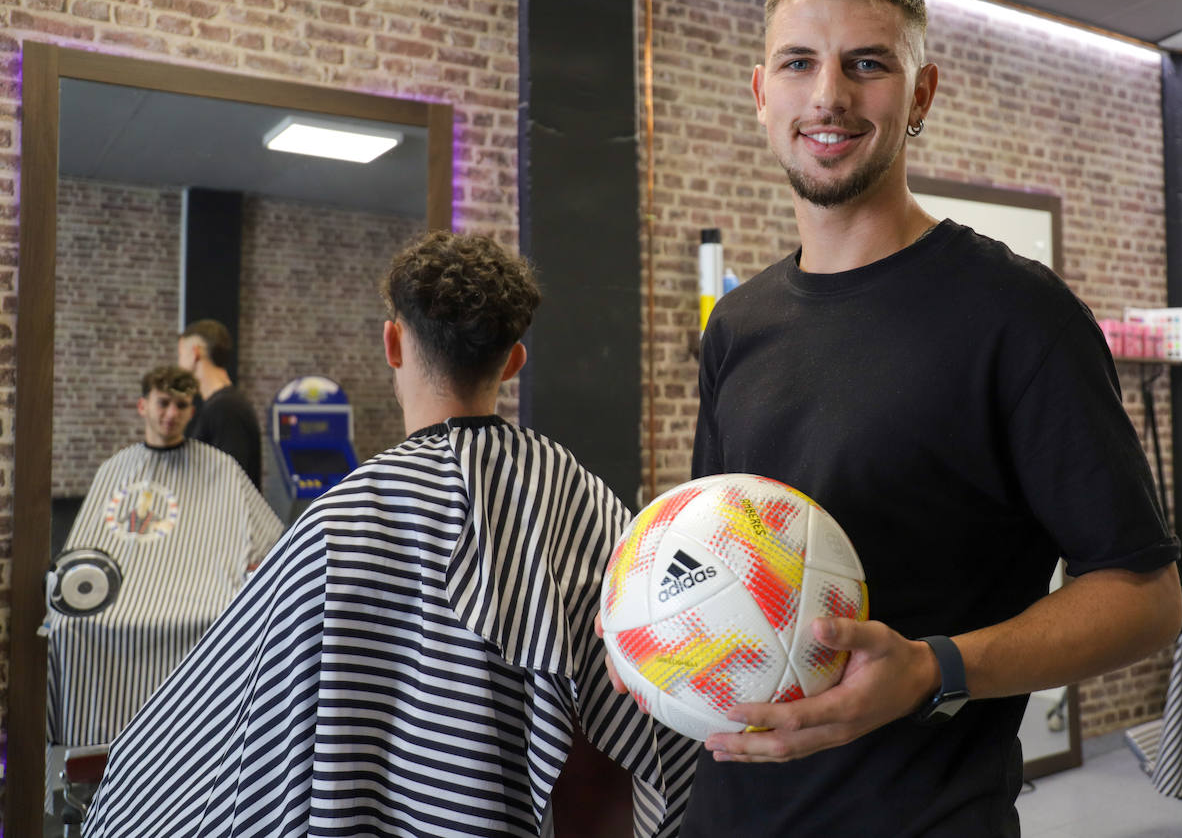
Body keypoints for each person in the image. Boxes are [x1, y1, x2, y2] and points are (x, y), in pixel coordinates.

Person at [656, 0, 1182, 837]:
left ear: (921, 95)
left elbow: (1146, 595)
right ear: (761, 93)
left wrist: (937, 667)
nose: (828, 95)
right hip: (729, 810)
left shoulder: (1019, 316)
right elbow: (721, 539)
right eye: (799, 63)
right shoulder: (738, 322)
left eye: (867, 64)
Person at [84, 233, 696, 838]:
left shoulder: (337, 522)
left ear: (392, 343)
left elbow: (227, 739)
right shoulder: (584, 498)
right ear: (513, 360)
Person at [46, 366, 283, 754]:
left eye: (181, 405)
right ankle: (83, 750)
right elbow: (82, 553)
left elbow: (268, 540)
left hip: (200, 599)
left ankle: (201, 748)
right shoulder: (115, 470)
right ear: (143, 405)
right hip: (119, 598)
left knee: (223, 625)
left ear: (193, 411)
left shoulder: (220, 470)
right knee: (66, 625)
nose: (171, 414)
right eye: (163, 403)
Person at [178, 318, 263, 488]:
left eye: (180, 355)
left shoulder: (226, 408)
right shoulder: (220, 405)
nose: (179, 364)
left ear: (195, 353)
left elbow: (230, 483)